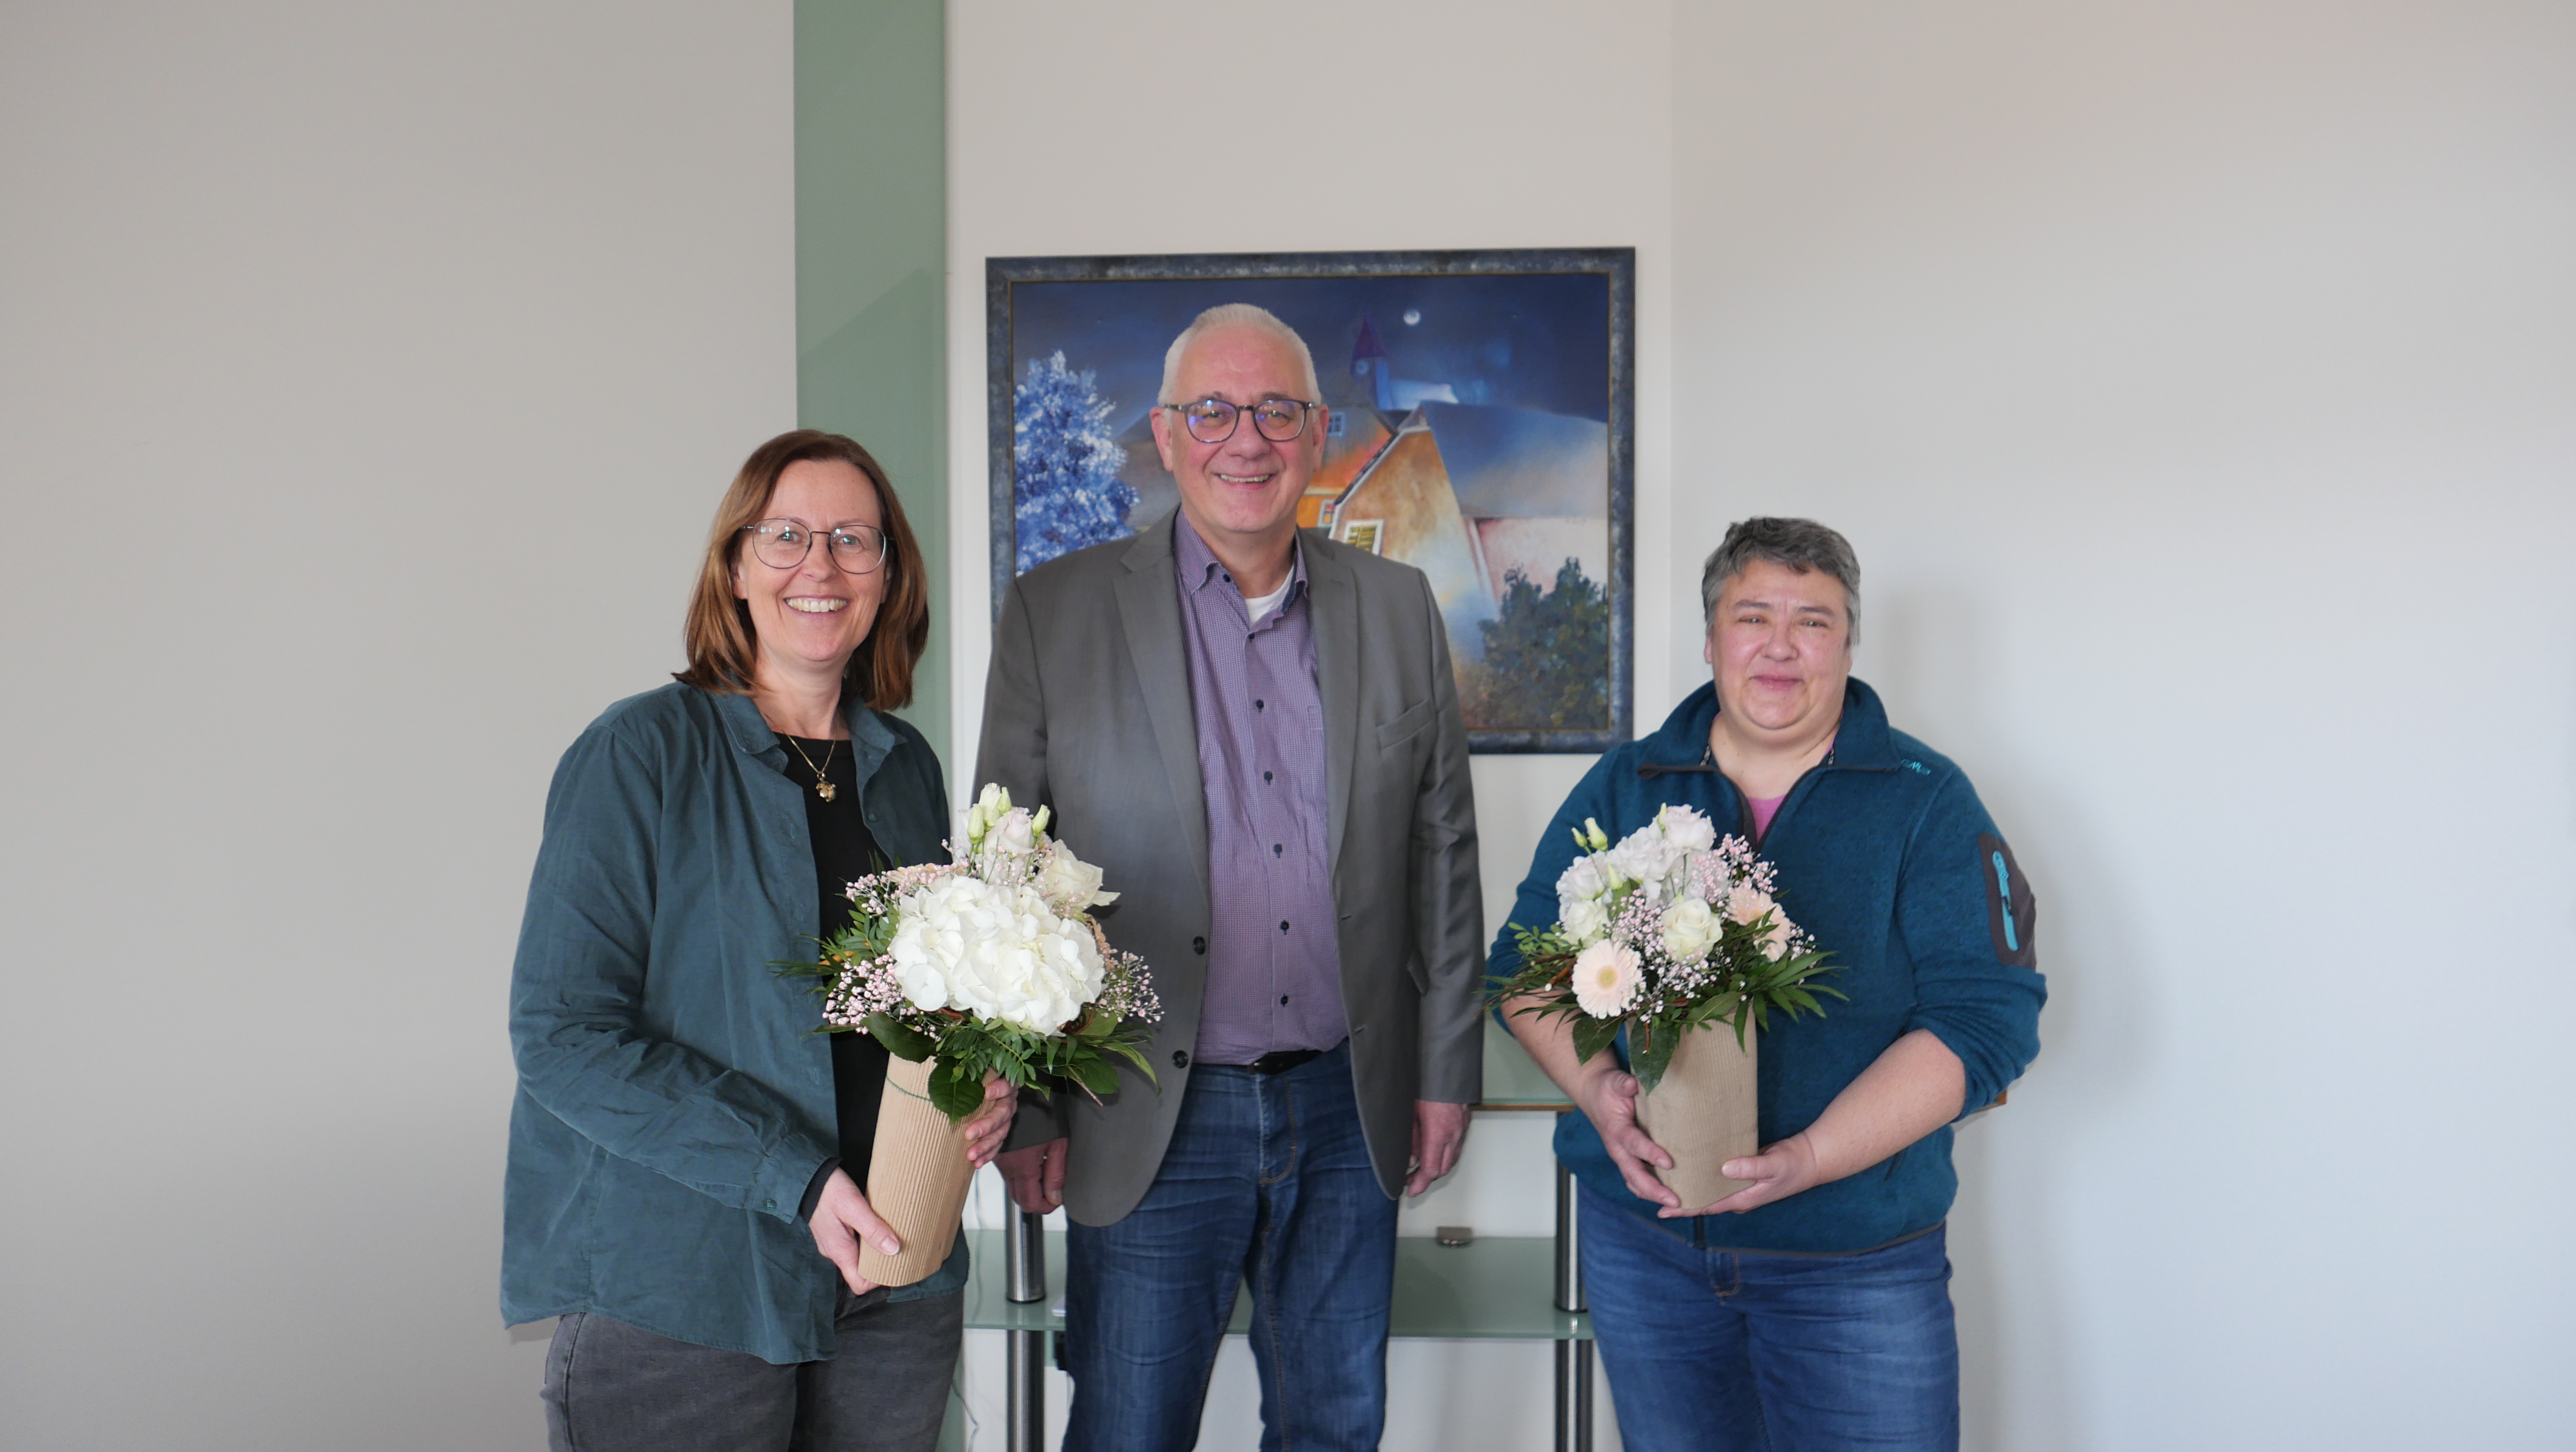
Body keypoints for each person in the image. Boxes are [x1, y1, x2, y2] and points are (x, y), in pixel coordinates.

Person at [977, 304, 1484, 1452]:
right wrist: (1030, 1108)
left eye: (1274, 411)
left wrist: (1444, 1068)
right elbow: (1003, 878)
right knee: (1128, 1427)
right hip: (1148, 1106)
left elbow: (1443, 851)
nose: (1242, 439)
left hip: (1346, 1099)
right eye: (1212, 410)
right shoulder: (1054, 614)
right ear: (1165, 434)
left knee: (1332, 1423)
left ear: (1314, 434)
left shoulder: (1398, 610)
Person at [502, 430, 1016, 1452]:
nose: (817, 567)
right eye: (785, 536)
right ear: (735, 566)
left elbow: (922, 998)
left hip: (894, 1275)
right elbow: (561, 1035)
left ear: (887, 576)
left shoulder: (902, 763)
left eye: (852, 541)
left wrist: (984, 1083)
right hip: (687, 1290)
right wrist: (794, 1177)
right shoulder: (637, 753)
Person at [1494, 518, 2045, 1452]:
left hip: (1855, 1263)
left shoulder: (1927, 800)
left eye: (1815, 621)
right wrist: (1597, 1092)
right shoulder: (1628, 783)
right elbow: (1524, 966)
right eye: (1753, 616)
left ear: (1849, 642)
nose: (1782, 646)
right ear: (1711, 640)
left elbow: (1986, 1023)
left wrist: (1813, 1158)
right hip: (1646, 1248)